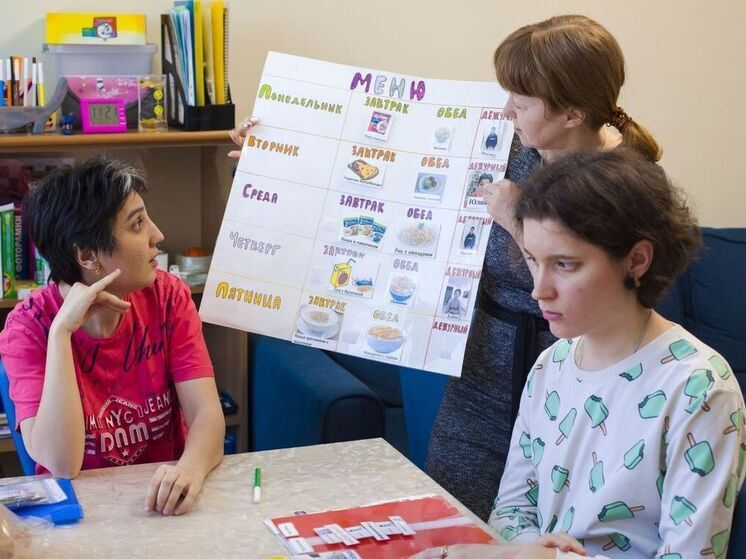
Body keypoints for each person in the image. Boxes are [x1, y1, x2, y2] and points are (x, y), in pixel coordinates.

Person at [417, 150, 745, 558]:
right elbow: (511, 511)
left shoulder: (701, 388)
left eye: (565, 265)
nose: (539, 289)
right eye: (534, 261)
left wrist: (548, 558)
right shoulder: (551, 364)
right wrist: (527, 547)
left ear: (636, 260)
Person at [427, 14, 664, 521]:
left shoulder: (628, 183)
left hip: (581, 380)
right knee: (451, 522)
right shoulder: (502, 150)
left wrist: (517, 221)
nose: (507, 108)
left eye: (523, 100)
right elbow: (388, 175)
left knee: (551, 531)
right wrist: (275, 154)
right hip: (481, 375)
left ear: (574, 113)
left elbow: (606, 286)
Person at [0, 159, 225, 517]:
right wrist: (61, 334)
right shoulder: (28, 328)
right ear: (88, 255)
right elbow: (62, 464)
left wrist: (190, 470)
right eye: (137, 224)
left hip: (162, 504)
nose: (157, 235)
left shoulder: (168, 296)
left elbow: (207, 415)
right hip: (81, 515)